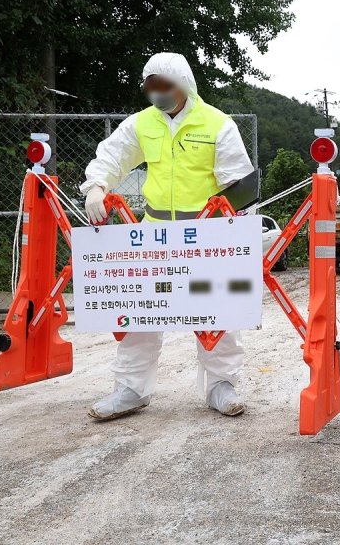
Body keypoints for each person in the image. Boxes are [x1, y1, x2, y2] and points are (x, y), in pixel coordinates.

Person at [80, 52, 254, 421]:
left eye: (166, 86)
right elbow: (112, 156)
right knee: (140, 310)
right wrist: (96, 186)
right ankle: (130, 389)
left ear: (184, 84)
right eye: (152, 87)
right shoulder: (142, 124)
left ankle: (221, 385)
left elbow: (238, 182)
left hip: (206, 236)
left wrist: (235, 230)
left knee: (216, 309)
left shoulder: (216, 124)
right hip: (155, 235)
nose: (159, 94)